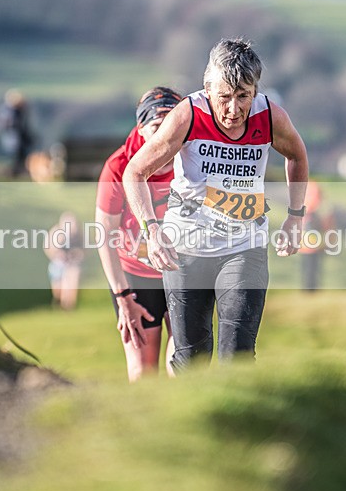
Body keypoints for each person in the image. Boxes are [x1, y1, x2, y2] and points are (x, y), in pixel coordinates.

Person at [123, 39, 309, 371]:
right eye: (224, 97)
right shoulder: (188, 115)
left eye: (243, 97)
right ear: (207, 89)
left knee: (236, 355)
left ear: (255, 91)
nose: (234, 110)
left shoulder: (270, 117)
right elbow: (135, 171)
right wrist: (152, 231)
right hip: (187, 247)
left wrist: (295, 217)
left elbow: (297, 154)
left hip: (244, 245)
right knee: (191, 357)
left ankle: (239, 422)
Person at [96, 86, 183, 381]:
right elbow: (104, 235)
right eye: (158, 127)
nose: (166, 136)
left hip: (181, 270)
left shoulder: (193, 160)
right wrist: (122, 296)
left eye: (173, 125)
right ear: (142, 129)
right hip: (134, 276)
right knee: (142, 371)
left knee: (184, 362)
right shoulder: (118, 166)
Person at [44, 211, 84, 310]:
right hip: (57, 264)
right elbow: (48, 248)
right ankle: (58, 303)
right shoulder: (56, 232)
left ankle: (69, 306)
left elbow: (84, 250)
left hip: (71, 264)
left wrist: (76, 254)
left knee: (71, 284)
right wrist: (57, 255)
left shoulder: (78, 234)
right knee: (58, 289)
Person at [0, 89, 35, 177]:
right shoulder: (8, 111)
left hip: (20, 139)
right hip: (14, 139)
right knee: (16, 158)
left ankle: (19, 172)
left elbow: (24, 125)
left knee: (22, 157)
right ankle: (14, 173)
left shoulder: (20, 111)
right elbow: (6, 125)